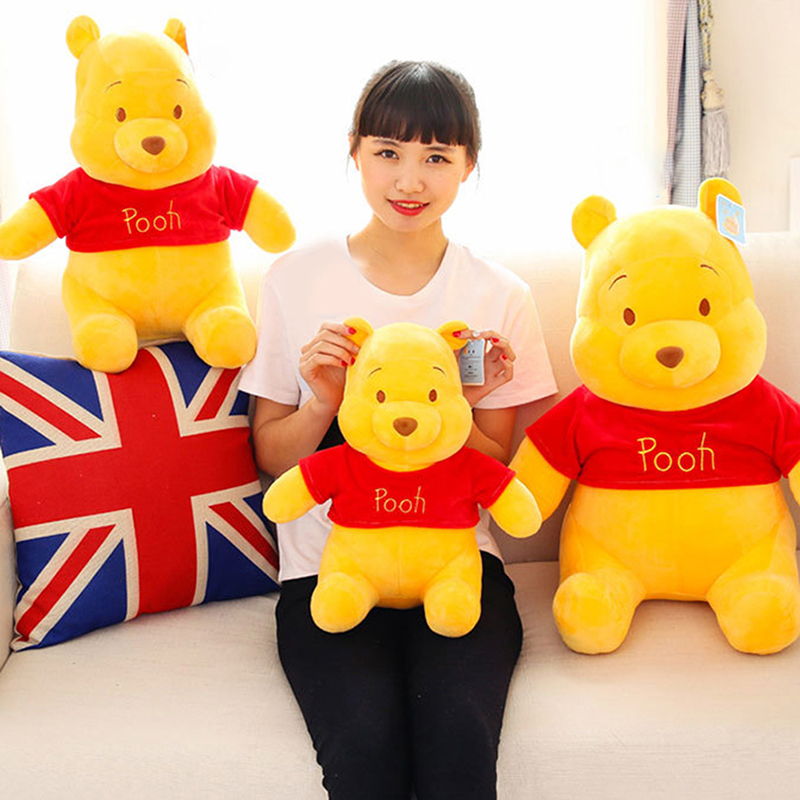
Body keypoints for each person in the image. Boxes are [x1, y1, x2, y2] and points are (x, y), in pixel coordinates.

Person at [240, 60, 557, 800]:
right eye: (388, 152)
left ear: (469, 165)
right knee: (363, 753)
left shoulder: (499, 296)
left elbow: (493, 469)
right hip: (329, 572)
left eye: (437, 157)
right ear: (354, 152)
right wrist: (320, 405)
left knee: (458, 746)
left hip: (457, 567)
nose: (410, 180)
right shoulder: (295, 278)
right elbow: (271, 458)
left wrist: (464, 402)